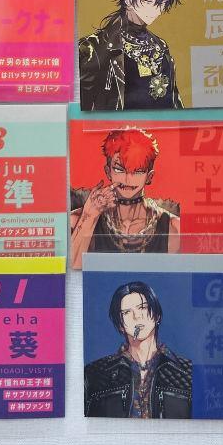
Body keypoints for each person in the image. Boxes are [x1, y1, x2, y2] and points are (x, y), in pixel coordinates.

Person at [79, 0, 183, 110]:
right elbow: (85, 106)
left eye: (161, 3)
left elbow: (175, 102)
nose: (156, 10)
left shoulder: (160, 45)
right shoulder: (93, 48)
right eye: (148, 1)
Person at [70, 127, 181, 267]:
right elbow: (72, 268)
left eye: (138, 171)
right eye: (119, 169)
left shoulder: (173, 227)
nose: (128, 179)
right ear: (108, 171)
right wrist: (90, 216)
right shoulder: (77, 219)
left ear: (149, 176)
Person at [84, 281, 192, 418]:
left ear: (157, 315)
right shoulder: (93, 374)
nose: (137, 316)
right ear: (120, 325)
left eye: (142, 307)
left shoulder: (188, 372)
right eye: (127, 312)